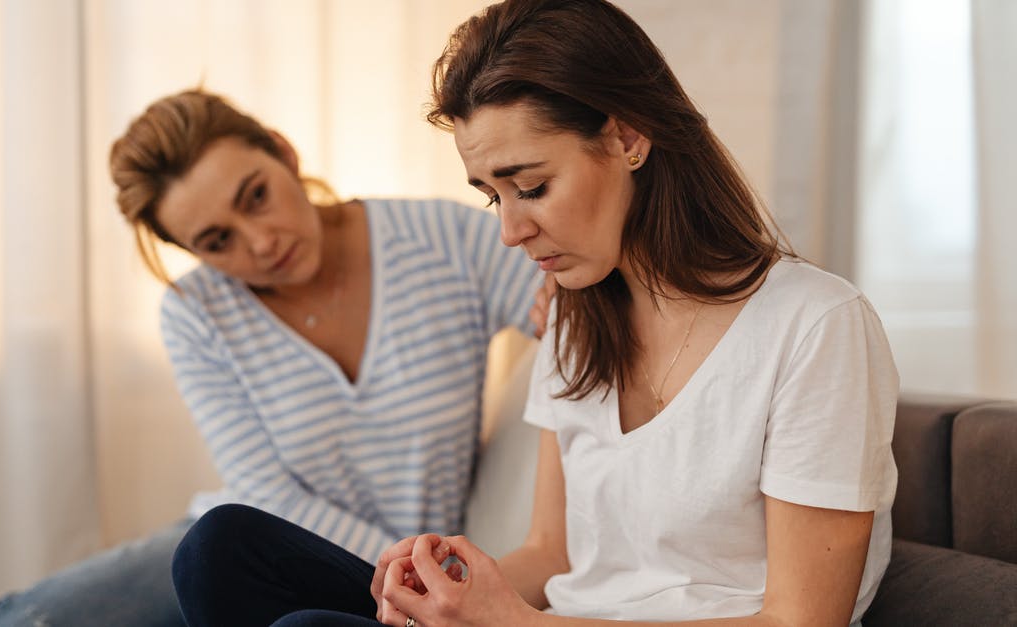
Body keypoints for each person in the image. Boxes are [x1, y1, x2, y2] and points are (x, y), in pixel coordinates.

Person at [170, 0, 900, 626]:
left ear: (627, 136)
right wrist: (447, 584)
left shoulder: (816, 325)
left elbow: (800, 619)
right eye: (495, 195)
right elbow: (553, 555)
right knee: (220, 545)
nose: (509, 230)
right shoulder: (577, 320)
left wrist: (514, 622)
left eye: (532, 186)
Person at [0, 88, 547, 626]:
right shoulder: (196, 312)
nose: (261, 242)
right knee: (22, 620)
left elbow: (577, 294)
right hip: (255, 555)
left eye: (256, 197)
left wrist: (565, 299)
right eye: (218, 240)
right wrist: (401, 571)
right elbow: (266, 493)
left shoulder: (439, 239)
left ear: (283, 153)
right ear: (191, 251)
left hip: (407, 571)